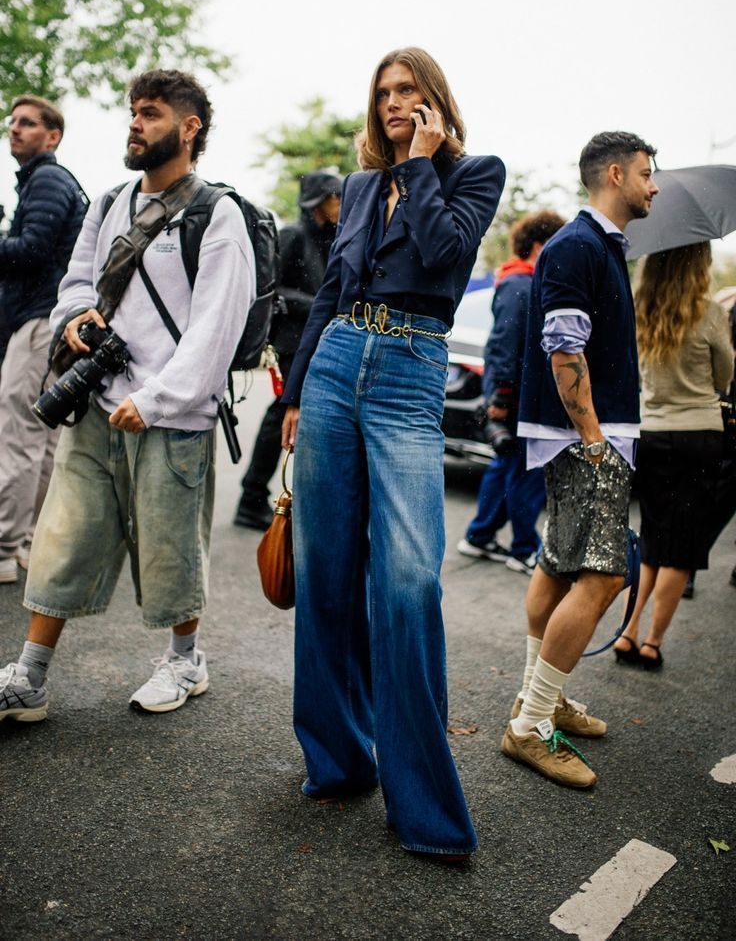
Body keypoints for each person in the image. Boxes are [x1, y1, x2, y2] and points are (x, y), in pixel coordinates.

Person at [280, 47, 505, 859]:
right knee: (325, 572)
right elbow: (336, 294)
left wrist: (421, 165)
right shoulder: (362, 187)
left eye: (408, 91)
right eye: (384, 94)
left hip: (412, 370)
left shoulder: (476, 172)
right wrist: (296, 394)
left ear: (436, 99)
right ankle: (338, 760)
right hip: (339, 364)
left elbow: (445, 257)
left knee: (408, 580)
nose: (394, 104)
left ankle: (424, 808)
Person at [0, 69, 254, 723]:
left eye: (150, 113)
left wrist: (163, 397)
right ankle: (29, 677)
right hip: (96, 403)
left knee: (170, 549)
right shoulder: (112, 199)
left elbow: (216, 324)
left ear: (189, 126)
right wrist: (77, 318)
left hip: (169, 416)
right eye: (133, 112)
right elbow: (76, 280)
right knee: (63, 537)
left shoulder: (216, 214)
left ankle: (185, 659)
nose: (135, 123)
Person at [504, 131, 658, 789]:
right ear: (616, 174)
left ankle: (537, 698)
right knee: (602, 579)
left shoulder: (595, 246)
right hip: (584, 438)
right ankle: (532, 724)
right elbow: (563, 347)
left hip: (583, 436)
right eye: (648, 174)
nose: (654, 186)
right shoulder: (578, 245)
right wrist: (594, 438)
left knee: (560, 568)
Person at [611, 243, 732, 669]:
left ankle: (627, 632)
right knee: (681, 545)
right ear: (698, 264)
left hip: (651, 433)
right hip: (698, 435)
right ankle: (652, 644)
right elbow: (724, 375)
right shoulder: (709, 312)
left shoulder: (638, 308)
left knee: (652, 536)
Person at [0, 96, 87, 585]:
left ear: (52, 137)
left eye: (28, 124)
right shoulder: (52, 181)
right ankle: (30, 543)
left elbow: (30, 251)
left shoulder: (48, 179)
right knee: (44, 436)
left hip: (38, 323)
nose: (15, 130)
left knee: (18, 435)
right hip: (53, 325)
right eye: (13, 123)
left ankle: (5, 546)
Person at [457, 210, 565, 573]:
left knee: (508, 466)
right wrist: (501, 399)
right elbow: (505, 343)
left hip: (517, 391)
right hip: (518, 394)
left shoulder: (522, 282)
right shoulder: (521, 285)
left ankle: (479, 536)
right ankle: (523, 549)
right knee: (526, 471)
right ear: (538, 244)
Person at [234, 170, 342, 530]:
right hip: (293, 342)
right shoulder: (293, 235)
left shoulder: (332, 238)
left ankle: (259, 497)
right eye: (334, 197)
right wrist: (319, 305)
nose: (340, 204)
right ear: (318, 201)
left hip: (319, 342)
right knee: (282, 414)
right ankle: (251, 498)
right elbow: (271, 291)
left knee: (290, 416)